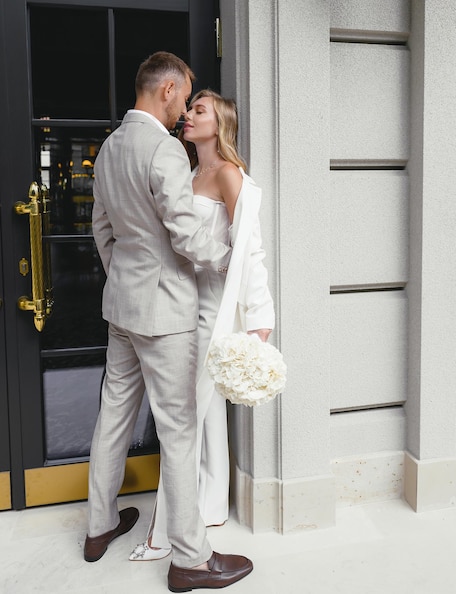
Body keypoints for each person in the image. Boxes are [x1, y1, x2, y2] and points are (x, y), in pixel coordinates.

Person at [84, 52, 253, 592]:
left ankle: (98, 526)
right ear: (169, 89)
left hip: (122, 305)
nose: (184, 108)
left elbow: (101, 231)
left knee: (114, 415)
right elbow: (185, 234)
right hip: (166, 312)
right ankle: (191, 560)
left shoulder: (109, 148)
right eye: (185, 96)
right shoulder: (164, 151)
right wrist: (232, 258)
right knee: (179, 431)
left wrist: (126, 280)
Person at [129, 89, 275, 561]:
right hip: (184, 301)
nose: (188, 117)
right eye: (188, 109)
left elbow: (250, 250)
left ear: (221, 123)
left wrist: (259, 320)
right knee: (203, 411)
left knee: (186, 411)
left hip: (214, 307)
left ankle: (168, 532)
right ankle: (209, 506)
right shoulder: (192, 172)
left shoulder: (230, 174)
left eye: (198, 111)